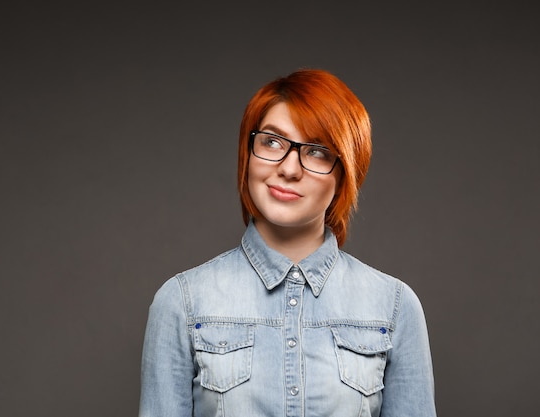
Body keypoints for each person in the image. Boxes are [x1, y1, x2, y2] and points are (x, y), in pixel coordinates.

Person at [139, 68, 436, 416]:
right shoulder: (182, 303)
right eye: (272, 142)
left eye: (317, 151)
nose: (289, 168)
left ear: (345, 176)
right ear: (247, 155)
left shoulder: (395, 307)